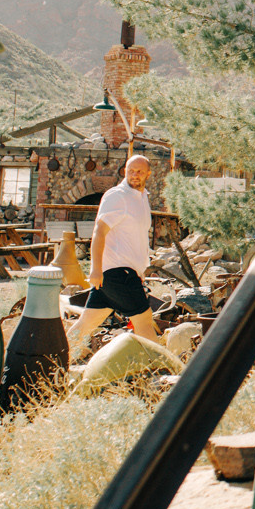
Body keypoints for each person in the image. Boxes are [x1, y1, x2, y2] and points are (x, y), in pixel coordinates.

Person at [68, 153, 163, 358]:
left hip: (123, 272)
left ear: (148, 174)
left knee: (86, 323)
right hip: (117, 272)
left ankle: (55, 362)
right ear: (125, 171)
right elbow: (99, 232)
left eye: (139, 171)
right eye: (130, 171)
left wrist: (141, 271)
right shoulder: (116, 196)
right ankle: (160, 369)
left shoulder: (142, 198)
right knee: (144, 320)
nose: (134, 175)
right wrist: (94, 269)